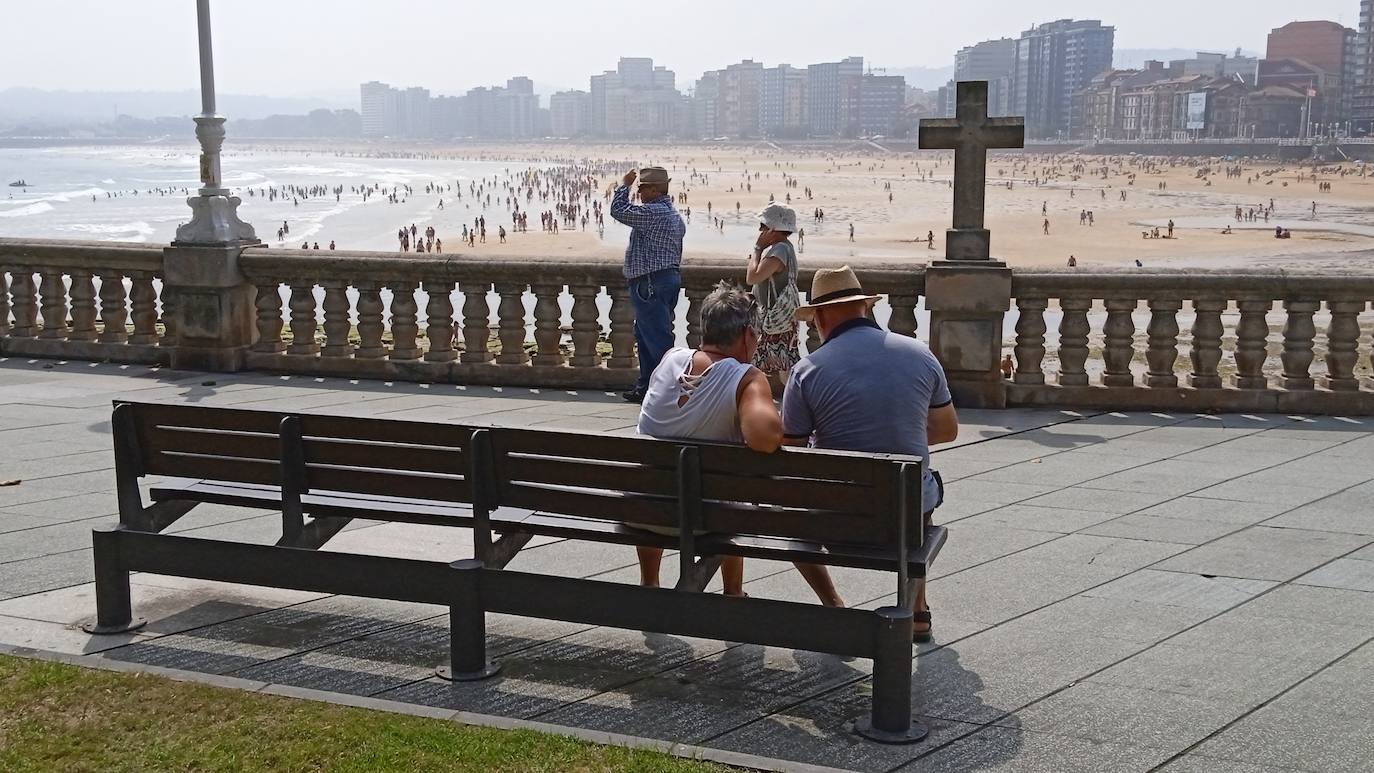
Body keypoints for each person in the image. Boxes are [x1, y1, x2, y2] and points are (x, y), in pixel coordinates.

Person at [782, 266, 959, 639]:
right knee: (918, 486)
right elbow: (947, 430)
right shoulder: (920, 355)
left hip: (840, 518)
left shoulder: (807, 370)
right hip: (905, 515)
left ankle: (834, 605)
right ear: (864, 308)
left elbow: (792, 451)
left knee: (789, 516)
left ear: (822, 316)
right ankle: (917, 609)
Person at [635, 282, 781, 596]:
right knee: (733, 496)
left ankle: (649, 583)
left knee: (659, 475)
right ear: (746, 334)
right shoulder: (745, 377)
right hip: (707, 520)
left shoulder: (671, 359)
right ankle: (733, 595)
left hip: (642, 513)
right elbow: (766, 439)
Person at [611, 167, 685, 404]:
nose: (639, 193)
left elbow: (618, 210)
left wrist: (624, 185)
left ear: (655, 190)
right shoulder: (672, 214)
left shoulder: (654, 213)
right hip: (664, 279)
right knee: (646, 335)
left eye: (642, 188)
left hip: (650, 282)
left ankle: (669, 390)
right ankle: (647, 386)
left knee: (657, 339)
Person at [747, 203, 801, 390]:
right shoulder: (787, 248)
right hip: (784, 314)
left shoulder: (779, 250)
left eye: (763, 226)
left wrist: (757, 248)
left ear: (773, 229)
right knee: (784, 362)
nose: (760, 230)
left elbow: (752, 277)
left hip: (774, 317)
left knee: (777, 364)